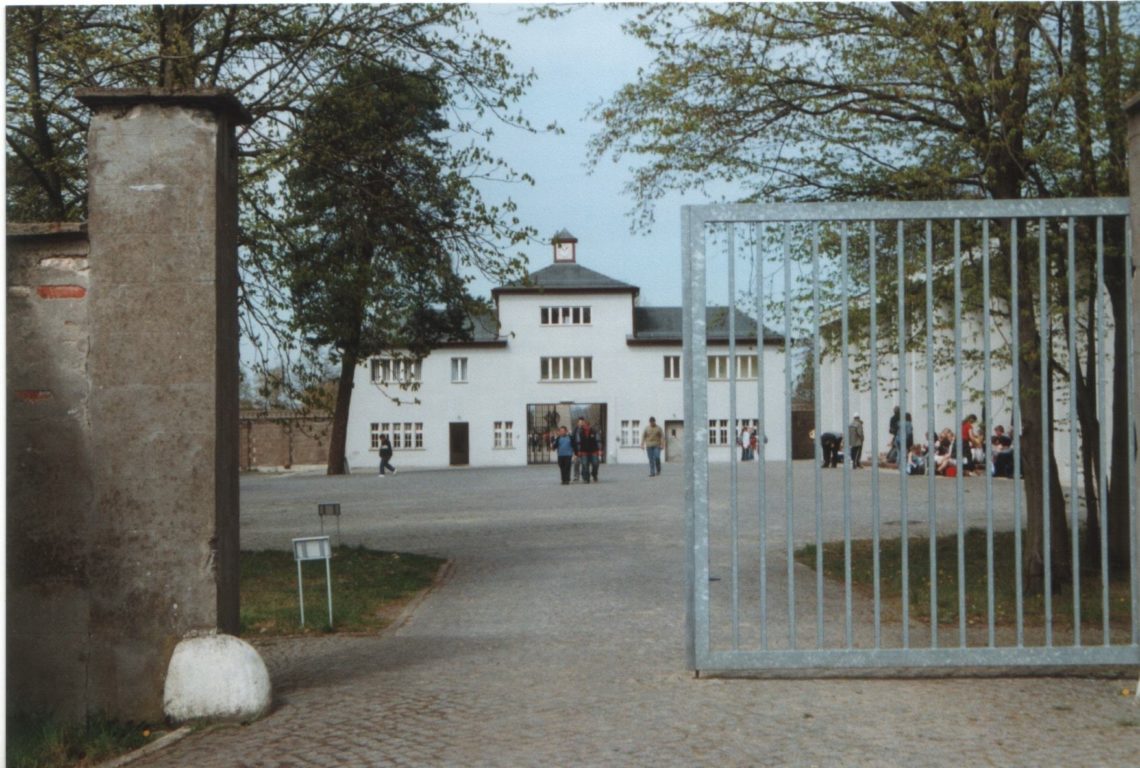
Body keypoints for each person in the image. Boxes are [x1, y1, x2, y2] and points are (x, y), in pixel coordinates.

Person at [574, 417, 600, 483]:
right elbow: (578, 442)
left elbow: (598, 440)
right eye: (585, 424)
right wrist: (578, 451)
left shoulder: (594, 431)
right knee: (585, 464)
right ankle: (586, 478)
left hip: (593, 450)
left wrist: (599, 449)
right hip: (583, 451)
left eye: (587, 424)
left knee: (595, 463)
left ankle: (594, 474)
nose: (586, 426)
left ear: (589, 425)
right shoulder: (579, 432)